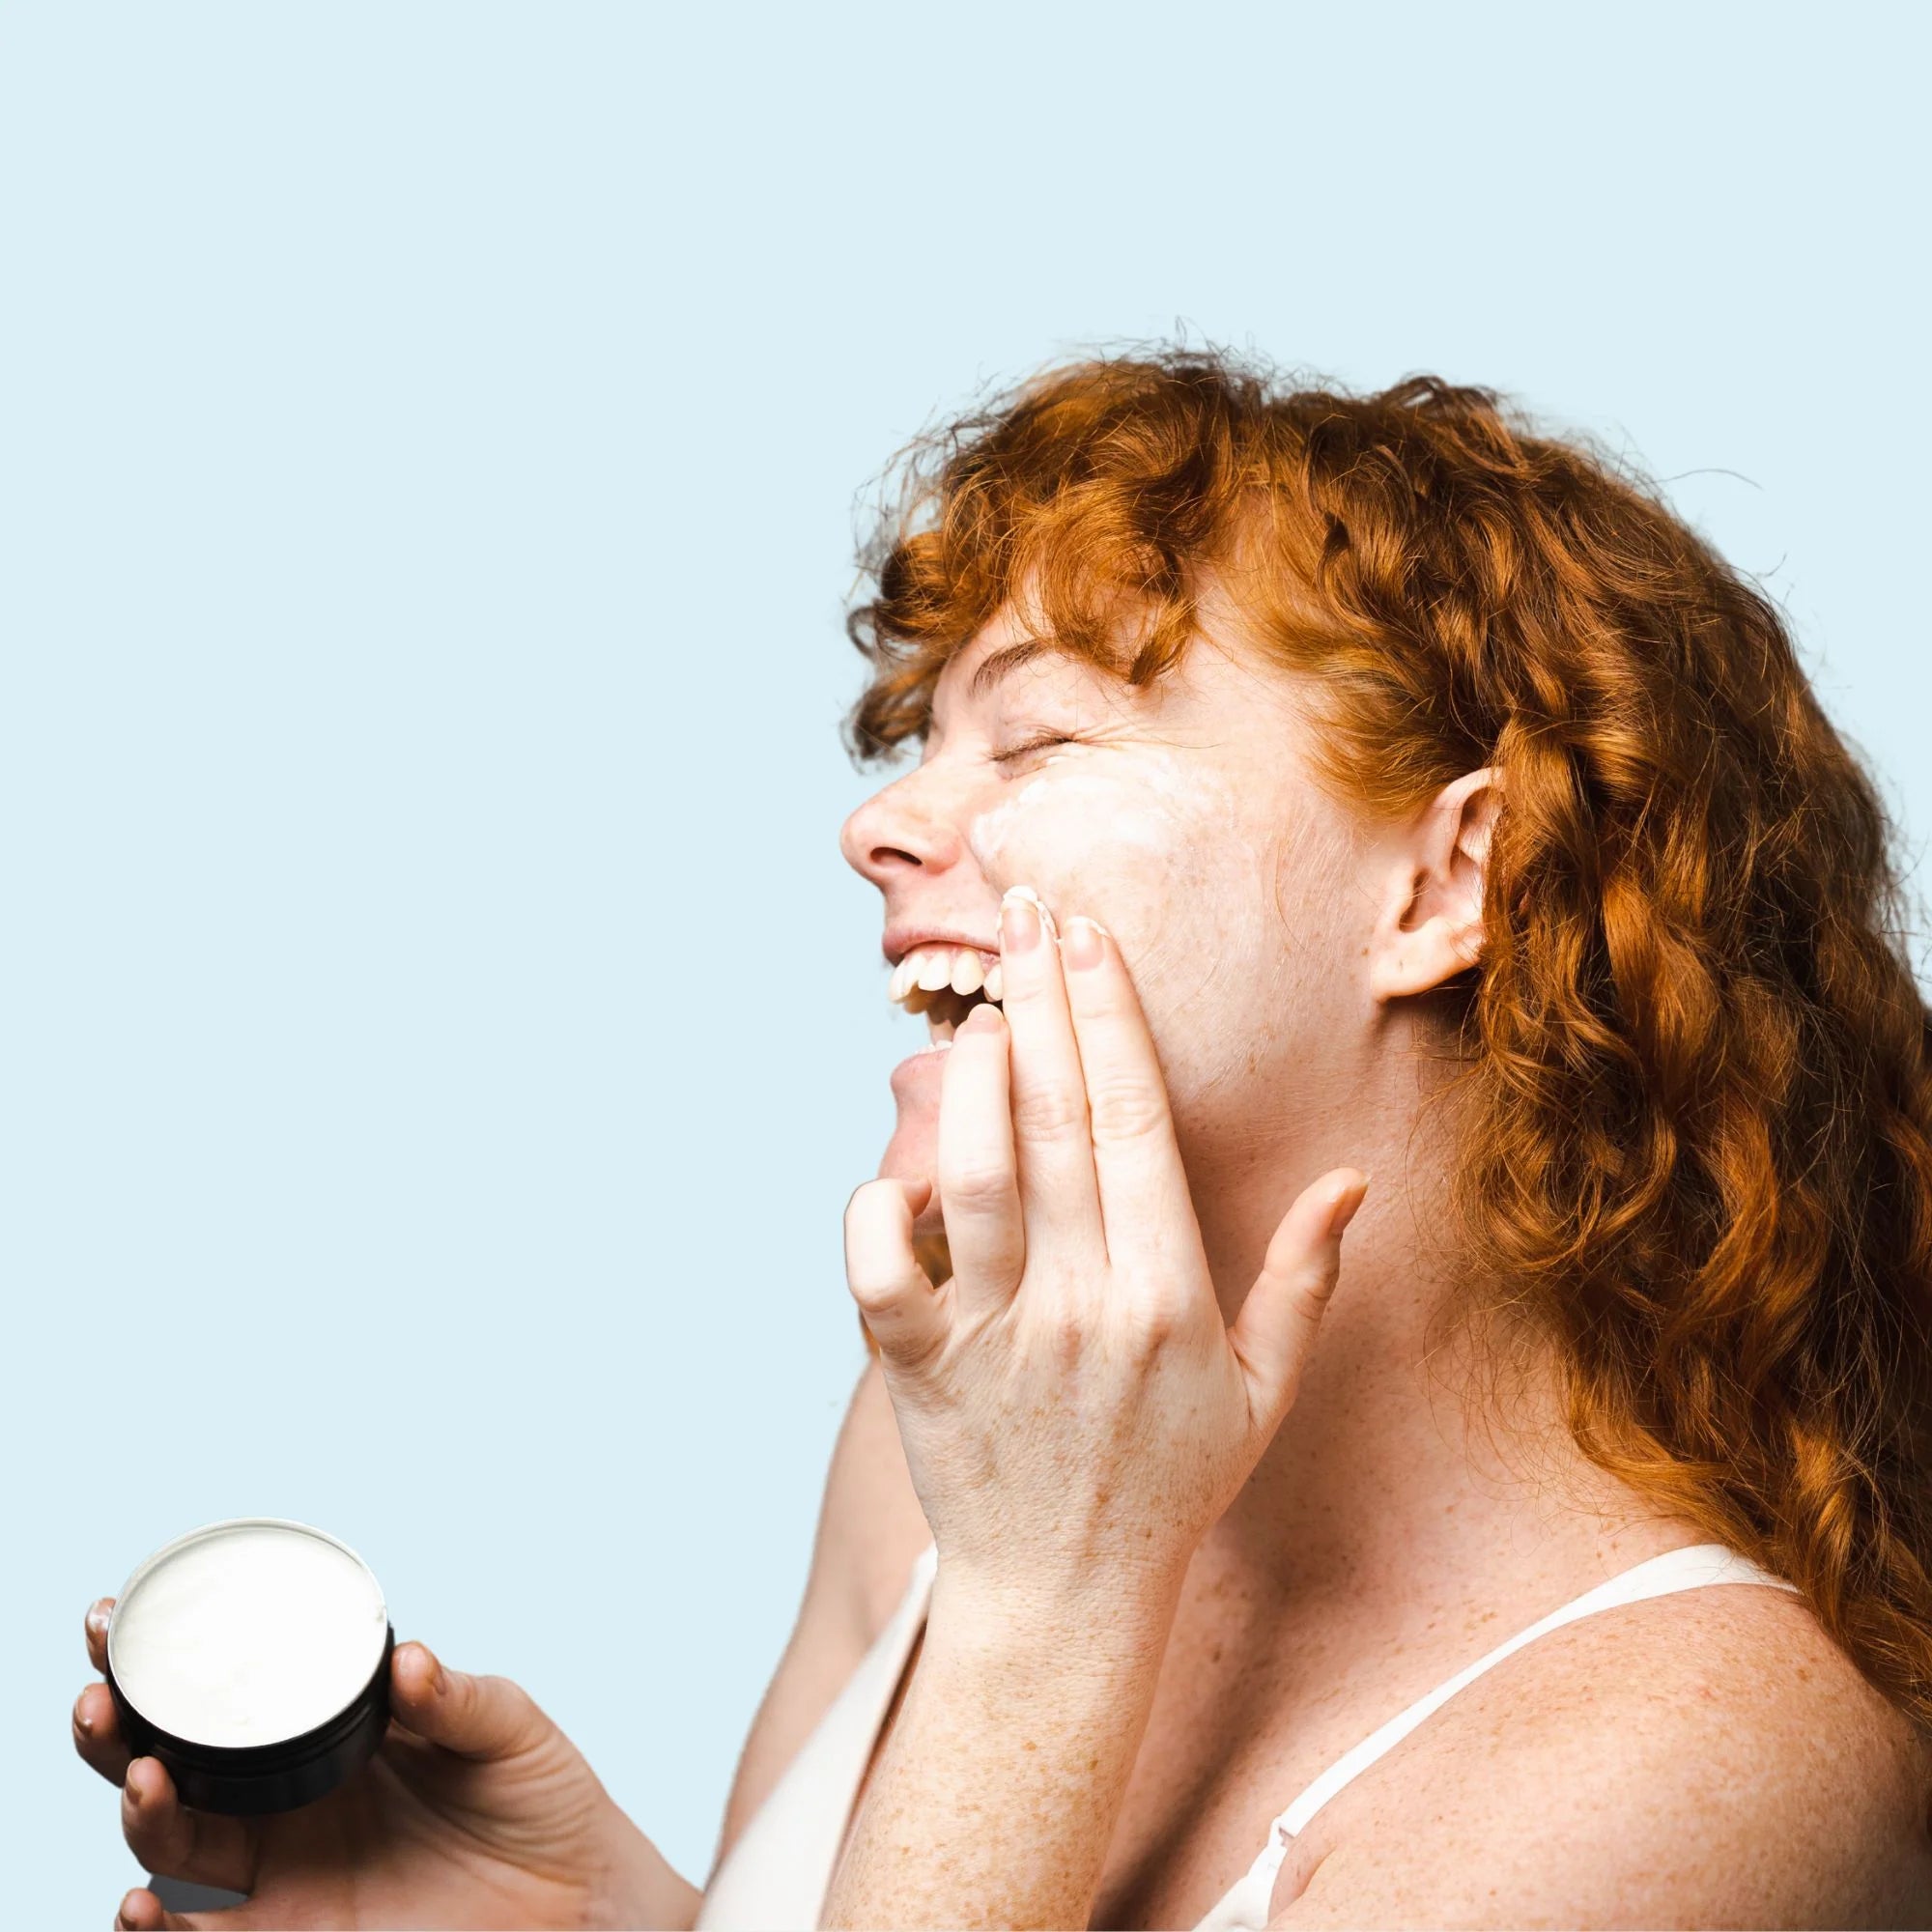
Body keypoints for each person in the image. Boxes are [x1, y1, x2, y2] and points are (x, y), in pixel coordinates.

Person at [73, 347, 1932, 1929]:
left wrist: (1052, 1608)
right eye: (920, 742)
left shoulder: (1714, 1768)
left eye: (1035, 746)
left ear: (1449, 882)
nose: (879, 825)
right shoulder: (935, 1455)